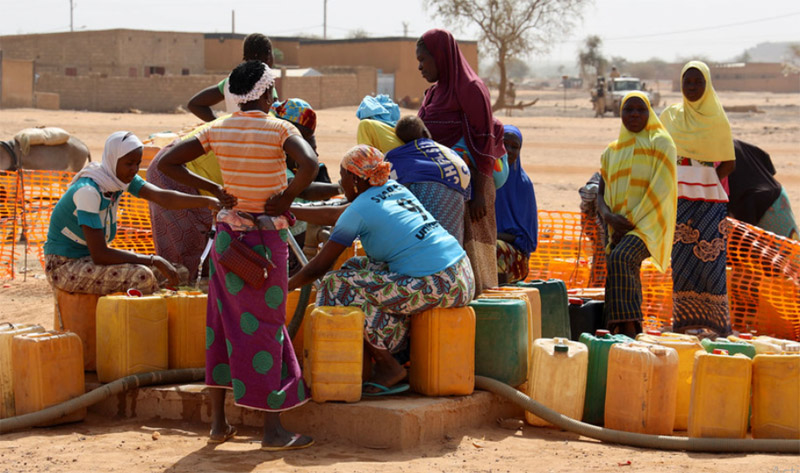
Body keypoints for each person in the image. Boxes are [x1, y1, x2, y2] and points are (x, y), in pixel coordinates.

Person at [158, 60, 318, 450]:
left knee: (221, 322)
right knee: (267, 327)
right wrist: (287, 196)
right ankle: (273, 430)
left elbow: (167, 162)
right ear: (267, 93)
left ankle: (218, 423)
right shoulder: (280, 129)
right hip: (265, 243)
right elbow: (310, 164)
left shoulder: (217, 128)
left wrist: (213, 189)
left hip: (228, 242)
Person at [288, 145, 475, 394]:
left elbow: (318, 268)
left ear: (355, 178)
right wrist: (288, 208)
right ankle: (397, 346)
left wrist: (285, 286)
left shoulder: (360, 209)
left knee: (336, 284)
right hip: (461, 274)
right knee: (354, 266)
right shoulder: (395, 188)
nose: (341, 183)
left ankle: (387, 364)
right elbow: (338, 214)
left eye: (343, 176)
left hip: (438, 284)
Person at [43, 131, 229, 295]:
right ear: (112, 159)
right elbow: (100, 254)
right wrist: (153, 259)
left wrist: (207, 201)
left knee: (179, 272)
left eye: (137, 163)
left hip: (90, 260)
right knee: (142, 277)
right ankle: (140, 323)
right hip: (65, 265)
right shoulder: (88, 192)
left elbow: (162, 197)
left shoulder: (118, 180)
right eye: (129, 163)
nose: (134, 170)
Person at [416, 28, 507, 293]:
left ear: (441, 56)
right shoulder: (433, 93)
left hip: (473, 187)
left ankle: (479, 307)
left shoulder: (471, 89)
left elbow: (484, 139)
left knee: (474, 251)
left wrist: (480, 194)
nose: (420, 67)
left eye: (423, 60)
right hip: (442, 189)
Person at [660, 61, 735, 336]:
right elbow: (659, 152)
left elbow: (729, 163)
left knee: (711, 262)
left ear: (707, 84)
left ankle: (716, 325)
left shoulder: (717, 119)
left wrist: (707, 182)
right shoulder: (669, 116)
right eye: (687, 82)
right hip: (678, 200)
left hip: (710, 203)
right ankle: (686, 323)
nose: (692, 87)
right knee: (681, 261)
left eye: (698, 82)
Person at [597, 92, 677, 337]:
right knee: (620, 268)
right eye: (628, 109)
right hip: (617, 224)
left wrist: (629, 222)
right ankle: (620, 331)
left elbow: (661, 189)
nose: (634, 114)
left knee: (622, 257)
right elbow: (601, 192)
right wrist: (609, 217)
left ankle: (627, 328)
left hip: (649, 224)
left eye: (640, 110)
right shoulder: (612, 151)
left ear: (649, 113)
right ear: (620, 113)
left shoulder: (661, 143)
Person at [385, 115, 471, 244]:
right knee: (449, 242)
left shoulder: (396, 155)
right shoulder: (447, 152)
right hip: (455, 199)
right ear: (425, 132)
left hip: (419, 202)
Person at [187, 33, 276, 122]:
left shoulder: (231, 81)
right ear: (268, 56)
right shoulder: (266, 83)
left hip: (233, 130)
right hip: (263, 130)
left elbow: (195, 104)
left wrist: (220, 125)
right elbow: (277, 113)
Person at [727, 139, 798, 240]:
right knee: (789, 245)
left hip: (758, 203)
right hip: (776, 195)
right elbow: (767, 163)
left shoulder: (710, 150)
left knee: (780, 248)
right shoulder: (731, 142)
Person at [495, 125, 538, 284]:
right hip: (487, 240)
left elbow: (526, 241)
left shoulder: (523, 185)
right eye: (504, 144)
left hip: (515, 257)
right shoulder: (485, 179)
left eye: (514, 147)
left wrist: (492, 235)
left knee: (492, 248)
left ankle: (497, 296)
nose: (509, 150)